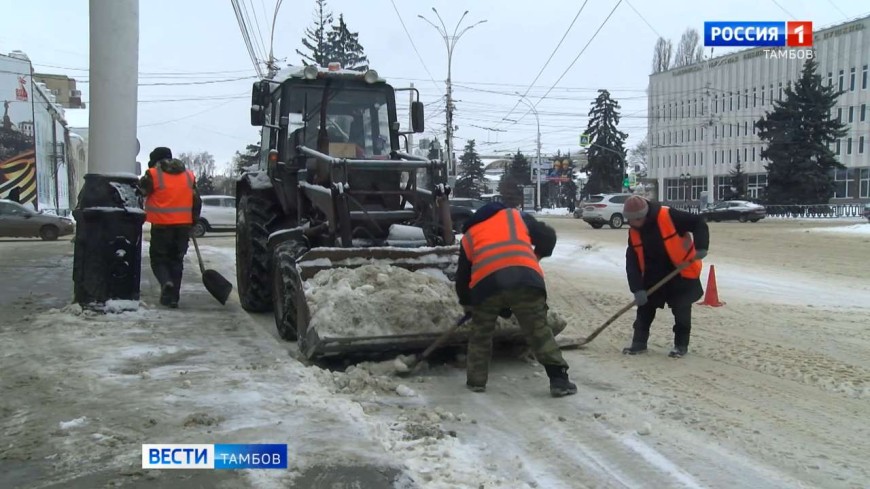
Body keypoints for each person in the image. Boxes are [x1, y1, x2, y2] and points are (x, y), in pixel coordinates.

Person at [455, 201, 577, 397]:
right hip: (525, 280)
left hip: (486, 287)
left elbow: (462, 278)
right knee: (539, 330)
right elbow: (548, 237)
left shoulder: (469, 237)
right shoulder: (514, 216)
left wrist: (468, 304)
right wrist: (529, 261)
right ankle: (559, 380)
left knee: (481, 335)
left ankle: (476, 382)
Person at [622, 196, 709, 358]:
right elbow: (632, 262)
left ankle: (681, 345)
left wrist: (701, 246)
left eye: (637, 219)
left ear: (645, 215)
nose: (633, 223)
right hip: (652, 275)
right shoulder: (633, 231)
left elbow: (698, 223)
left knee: (681, 310)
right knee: (644, 310)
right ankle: (639, 343)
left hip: (680, 272)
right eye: (630, 220)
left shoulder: (669, 216)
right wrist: (637, 288)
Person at [140, 147, 202, 308]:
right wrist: (193, 221)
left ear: (154, 161)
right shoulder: (188, 175)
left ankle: (166, 282)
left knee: (159, 259)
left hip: (161, 225)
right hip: (182, 227)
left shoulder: (153, 174)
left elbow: (140, 192)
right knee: (177, 261)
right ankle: (173, 298)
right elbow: (196, 200)